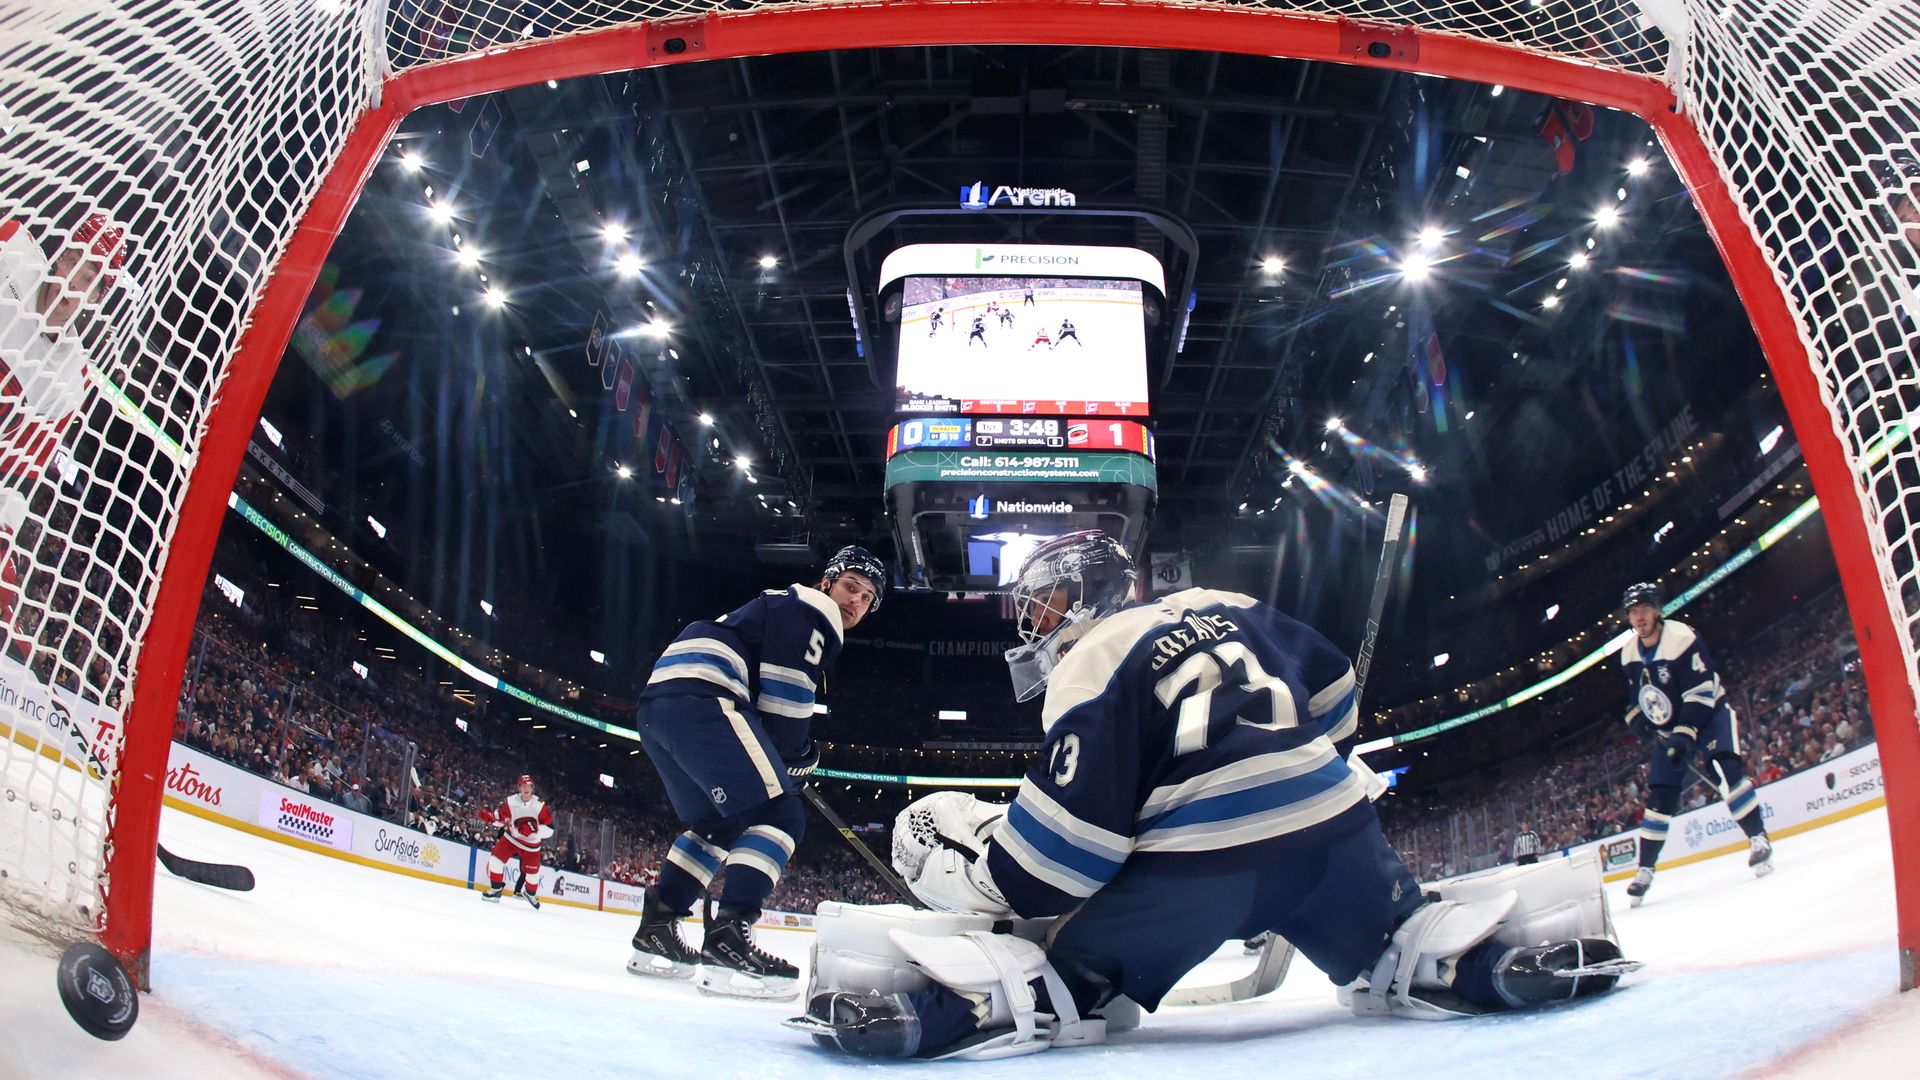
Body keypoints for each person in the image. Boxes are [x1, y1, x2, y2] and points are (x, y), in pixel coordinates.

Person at [794, 532, 1635, 1060]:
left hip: (1198, 877)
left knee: (1062, 979)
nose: (1036, 625)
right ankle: (1487, 962)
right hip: (1334, 844)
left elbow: (1056, 867)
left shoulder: (1091, 664)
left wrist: (965, 858)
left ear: (1086, 595)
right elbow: (1339, 697)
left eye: (1044, 605)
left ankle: (946, 1009)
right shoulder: (1231, 603)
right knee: (1395, 944)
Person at [626, 545, 885, 999]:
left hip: (661, 705)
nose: (855, 602)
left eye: (867, 598)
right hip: (705, 698)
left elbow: (765, 691)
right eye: (851, 587)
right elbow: (786, 699)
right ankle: (729, 939)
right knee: (782, 814)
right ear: (827, 582)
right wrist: (795, 756)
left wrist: (785, 755)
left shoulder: (781, 605)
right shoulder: (814, 608)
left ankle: (657, 933)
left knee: (718, 822)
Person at [1, 214, 129, 656]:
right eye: (72, 259)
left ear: (96, 297)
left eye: (89, 275)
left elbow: (16, 475)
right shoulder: (11, 250)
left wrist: (5, 544)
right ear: (57, 259)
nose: (72, 280)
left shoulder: (72, 381)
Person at [1618, 582, 1772, 906]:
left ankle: (1758, 838)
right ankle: (1645, 870)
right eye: (1634, 612)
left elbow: (1701, 691)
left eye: (1644, 609)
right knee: (1660, 796)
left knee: (1724, 769)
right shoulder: (1629, 653)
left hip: (1708, 716)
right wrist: (1638, 719)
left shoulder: (1682, 638)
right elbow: (1638, 697)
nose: (1639, 617)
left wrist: (1685, 732)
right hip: (1671, 729)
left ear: (1657, 611)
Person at [480, 774, 554, 909]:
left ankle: (530, 893)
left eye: (529, 786)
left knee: (533, 876)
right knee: (495, 861)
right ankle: (496, 890)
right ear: (519, 787)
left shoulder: (539, 806)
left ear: (533, 788)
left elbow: (550, 829)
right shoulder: (510, 801)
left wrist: (533, 829)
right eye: (523, 786)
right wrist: (490, 817)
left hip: (531, 845)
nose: (526, 789)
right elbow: (500, 818)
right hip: (511, 838)